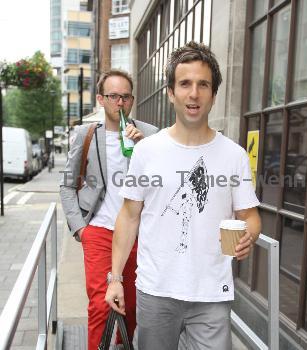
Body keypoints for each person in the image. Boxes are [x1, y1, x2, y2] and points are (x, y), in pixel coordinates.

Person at [105, 42, 262, 350]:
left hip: (212, 293)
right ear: (170, 92)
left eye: (203, 85)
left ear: (213, 95)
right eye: (185, 84)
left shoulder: (234, 156)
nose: (194, 93)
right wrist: (115, 278)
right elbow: (129, 215)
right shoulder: (147, 151)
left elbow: (250, 215)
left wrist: (250, 237)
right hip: (156, 290)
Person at [60, 69, 158, 350]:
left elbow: (162, 185)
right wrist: (81, 229)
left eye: (125, 97)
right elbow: (67, 186)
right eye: (113, 96)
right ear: (101, 99)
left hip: (138, 236)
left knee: (133, 306)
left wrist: (143, 147)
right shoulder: (86, 134)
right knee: (101, 306)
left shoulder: (150, 135)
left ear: (132, 101)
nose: (120, 102)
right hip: (99, 232)